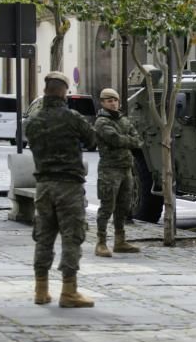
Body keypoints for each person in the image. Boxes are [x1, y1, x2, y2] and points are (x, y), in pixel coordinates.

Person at [26, 71, 96, 308]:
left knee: (43, 237)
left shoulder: (33, 121)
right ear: (64, 90)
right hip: (69, 186)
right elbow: (92, 140)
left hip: (44, 186)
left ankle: (40, 290)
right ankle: (69, 291)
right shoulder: (73, 118)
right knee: (71, 236)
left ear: (45, 90)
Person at [95, 88, 143, 257]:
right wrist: (128, 140)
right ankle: (101, 242)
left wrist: (127, 140)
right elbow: (114, 139)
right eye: (109, 101)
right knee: (107, 206)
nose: (113, 103)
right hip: (109, 169)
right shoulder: (101, 121)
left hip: (125, 168)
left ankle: (120, 240)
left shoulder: (123, 119)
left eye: (115, 100)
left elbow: (138, 140)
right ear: (102, 103)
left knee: (123, 206)